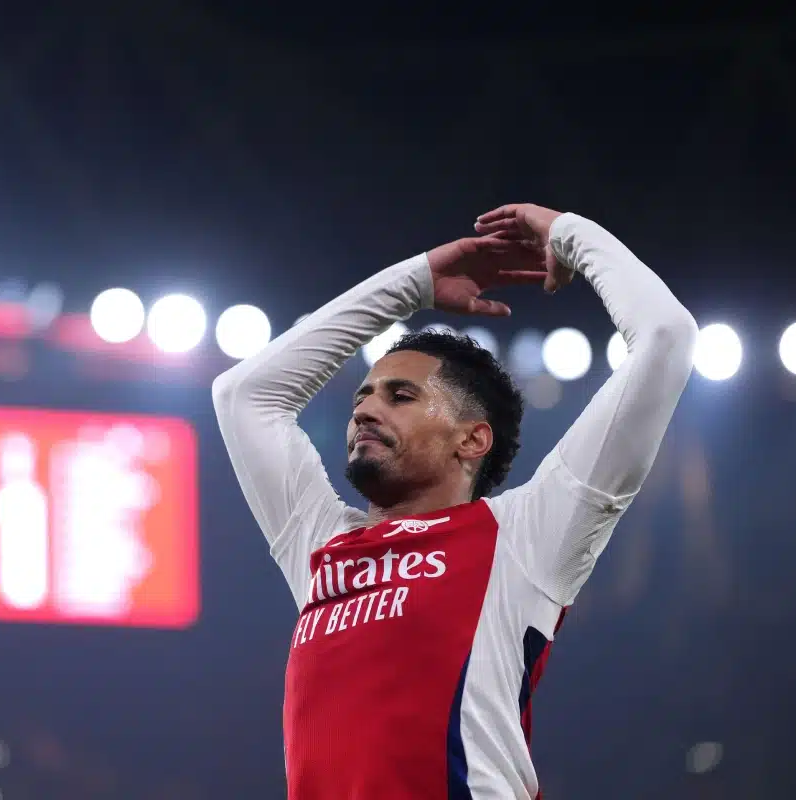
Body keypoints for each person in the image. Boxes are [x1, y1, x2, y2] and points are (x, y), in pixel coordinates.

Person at [212, 204, 698, 799]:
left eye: (401, 396)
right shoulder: (322, 547)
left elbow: (667, 337)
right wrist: (412, 284)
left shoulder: (523, 536)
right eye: (363, 396)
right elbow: (243, 393)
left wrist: (571, 236)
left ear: (472, 439)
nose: (364, 409)